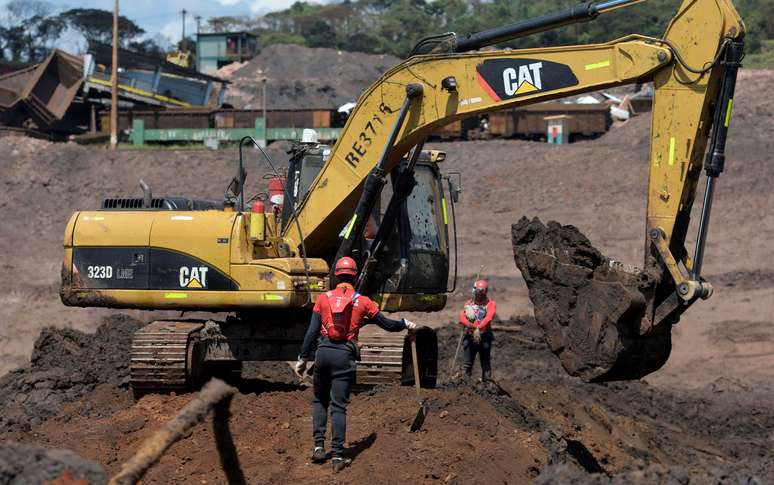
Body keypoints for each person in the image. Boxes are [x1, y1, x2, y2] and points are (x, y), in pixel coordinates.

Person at [295, 256, 417, 472]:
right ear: (354, 276)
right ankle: (338, 457)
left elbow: (312, 332)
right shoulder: (363, 301)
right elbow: (387, 325)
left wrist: (303, 358)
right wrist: (405, 324)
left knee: (320, 401)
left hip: (323, 354)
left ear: (336, 275)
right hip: (345, 356)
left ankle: (318, 447)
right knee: (339, 406)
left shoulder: (323, 299)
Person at [458, 279, 496, 381]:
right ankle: (466, 382)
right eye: (477, 292)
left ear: (485, 292)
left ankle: (487, 382)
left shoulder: (490, 304)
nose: (479, 295)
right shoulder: (468, 304)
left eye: (481, 292)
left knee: (485, 363)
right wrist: (470, 325)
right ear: (474, 292)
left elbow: (489, 317)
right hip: (470, 335)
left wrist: (479, 327)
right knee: (467, 363)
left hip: (484, 335)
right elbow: (461, 317)